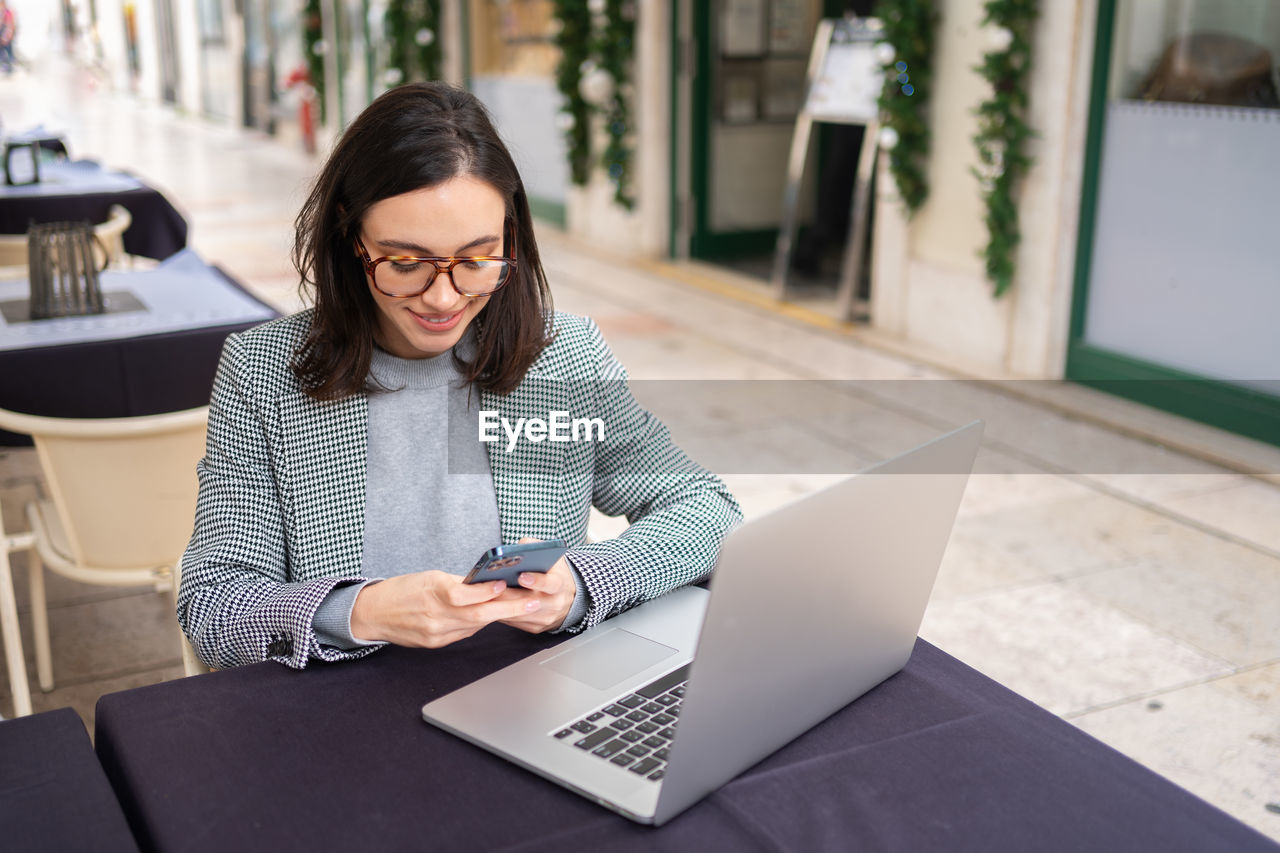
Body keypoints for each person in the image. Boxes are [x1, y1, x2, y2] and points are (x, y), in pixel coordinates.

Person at [177, 82, 742, 670]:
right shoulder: (264, 373)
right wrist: (361, 611)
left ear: (510, 237)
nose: (443, 297)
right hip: (345, 719)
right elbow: (214, 602)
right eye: (404, 263)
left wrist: (582, 581)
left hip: (532, 694)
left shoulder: (565, 357)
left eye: (476, 260)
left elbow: (706, 505)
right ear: (349, 238)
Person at [0, 1, 16, 75]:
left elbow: (10, 24)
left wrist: (7, 35)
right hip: (4, 34)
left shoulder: (7, 12)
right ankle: (7, 66)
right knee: (4, 51)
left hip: (7, 34)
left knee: (8, 51)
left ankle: (10, 67)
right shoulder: (3, 12)